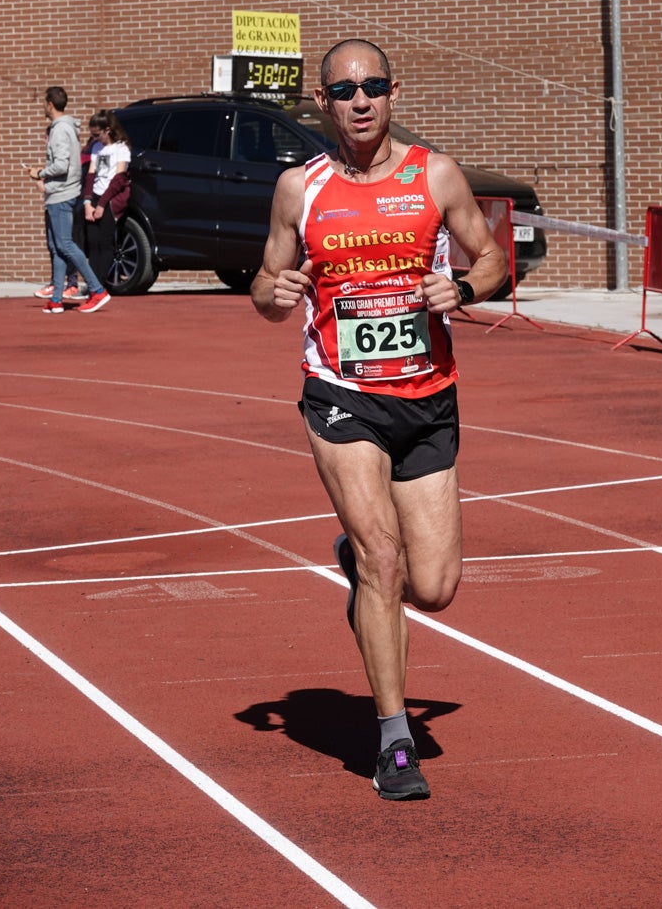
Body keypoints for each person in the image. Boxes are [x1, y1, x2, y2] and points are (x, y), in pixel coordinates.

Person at [250, 39, 507, 801]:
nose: (360, 101)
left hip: (426, 397)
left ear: (392, 94)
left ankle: (358, 565)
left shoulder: (434, 173)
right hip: (341, 395)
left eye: (374, 87)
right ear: (323, 103)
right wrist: (277, 289)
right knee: (383, 559)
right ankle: (394, 742)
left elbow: (491, 259)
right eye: (344, 89)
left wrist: (462, 289)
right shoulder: (300, 188)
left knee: (432, 589)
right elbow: (265, 290)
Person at [25, 86, 111, 314]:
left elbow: (62, 164)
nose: (44, 107)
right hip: (61, 192)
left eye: (45, 103)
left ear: (50, 104)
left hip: (61, 193)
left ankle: (97, 289)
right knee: (59, 247)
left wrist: (40, 173)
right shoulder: (66, 128)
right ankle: (56, 299)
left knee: (65, 245)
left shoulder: (60, 130)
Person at [82, 110, 130, 286]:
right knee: (93, 243)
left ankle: (99, 285)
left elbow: (119, 179)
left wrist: (102, 204)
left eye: (97, 134)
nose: (95, 138)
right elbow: (90, 175)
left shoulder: (121, 149)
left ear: (107, 129)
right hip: (95, 196)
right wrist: (88, 202)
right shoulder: (96, 148)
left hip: (109, 199)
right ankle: (92, 284)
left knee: (105, 242)